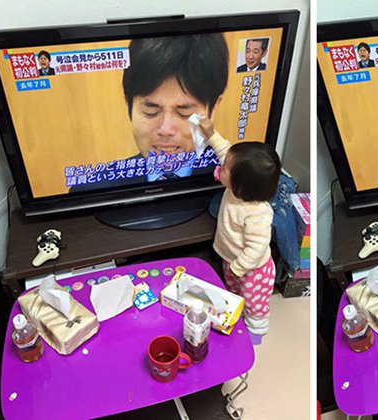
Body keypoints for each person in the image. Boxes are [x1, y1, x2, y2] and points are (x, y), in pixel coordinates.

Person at [70, 34, 228, 192]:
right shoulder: (91, 190)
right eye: (150, 111)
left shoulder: (236, 184)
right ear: (129, 106)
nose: (166, 130)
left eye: (184, 113)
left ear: (213, 109)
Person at [198, 115, 280, 344]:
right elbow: (226, 151)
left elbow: (257, 247)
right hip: (232, 259)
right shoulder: (237, 184)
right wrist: (210, 133)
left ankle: (256, 331)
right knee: (234, 293)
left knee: (255, 303)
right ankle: (237, 313)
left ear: (240, 184)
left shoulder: (257, 213)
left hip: (253, 269)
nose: (220, 166)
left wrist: (240, 267)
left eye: (224, 168)